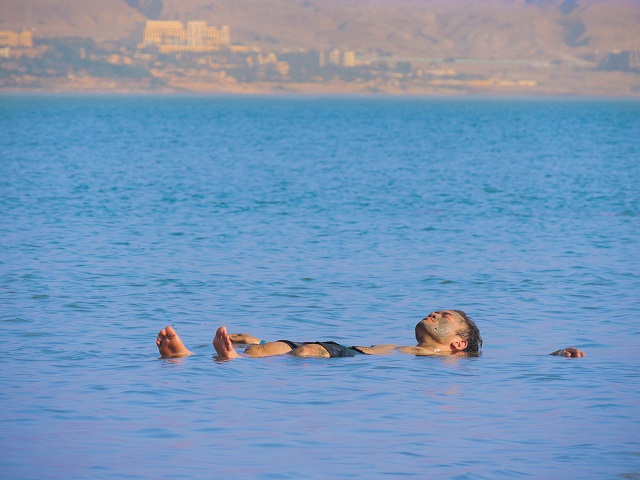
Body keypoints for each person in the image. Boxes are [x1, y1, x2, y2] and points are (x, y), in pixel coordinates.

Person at [155, 309, 586, 360]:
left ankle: (206, 358)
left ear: (458, 343)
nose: (434, 313)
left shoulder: (444, 362)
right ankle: (203, 355)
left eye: (446, 317)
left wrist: (554, 355)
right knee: (275, 345)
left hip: (349, 358)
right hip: (350, 348)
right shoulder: (409, 348)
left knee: (303, 352)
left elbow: (506, 363)